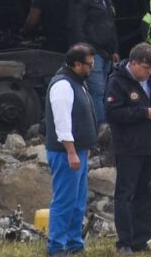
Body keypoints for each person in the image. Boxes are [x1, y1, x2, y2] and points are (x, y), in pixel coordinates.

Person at [105, 42, 151, 254]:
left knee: (146, 193)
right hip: (128, 147)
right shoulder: (117, 81)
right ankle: (124, 242)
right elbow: (113, 113)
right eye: (145, 68)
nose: (149, 72)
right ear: (133, 63)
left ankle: (141, 240)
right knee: (125, 195)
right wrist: (144, 113)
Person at [45, 43, 99, 257]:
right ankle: (56, 246)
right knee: (64, 200)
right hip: (65, 153)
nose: (92, 67)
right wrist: (71, 151)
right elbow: (62, 121)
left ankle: (74, 243)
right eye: (89, 64)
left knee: (77, 201)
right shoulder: (63, 85)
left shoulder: (78, 81)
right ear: (77, 64)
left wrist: (83, 148)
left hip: (78, 151)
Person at [68, 0, 121, 124]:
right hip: (92, 52)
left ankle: (101, 125)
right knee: (97, 90)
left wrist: (114, 49)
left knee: (103, 91)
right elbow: (76, 26)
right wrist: (85, 52)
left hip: (106, 53)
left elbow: (111, 26)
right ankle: (100, 128)